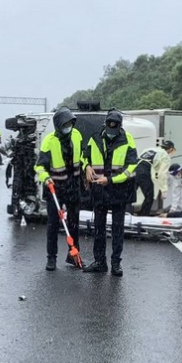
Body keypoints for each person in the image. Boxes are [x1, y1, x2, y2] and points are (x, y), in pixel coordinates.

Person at [82, 110, 138, 276]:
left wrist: (112, 179)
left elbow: (132, 166)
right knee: (98, 228)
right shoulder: (95, 137)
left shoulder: (128, 140)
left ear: (120, 126)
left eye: (114, 128)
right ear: (105, 124)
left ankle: (116, 263)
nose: (111, 131)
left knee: (117, 229)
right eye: (109, 126)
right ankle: (100, 261)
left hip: (119, 190)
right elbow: (84, 155)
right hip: (99, 190)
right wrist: (87, 166)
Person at [35, 107, 85, 271]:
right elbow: (39, 166)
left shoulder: (76, 136)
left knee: (74, 223)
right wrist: (46, 178)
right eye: (66, 123)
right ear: (58, 125)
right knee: (53, 224)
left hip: (74, 187)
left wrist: (87, 166)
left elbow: (82, 156)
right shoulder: (49, 141)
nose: (69, 126)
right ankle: (51, 258)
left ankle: (73, 255)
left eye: (71, 123)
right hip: (55, 188)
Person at [133, 140, 175, 216]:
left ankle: (126, 212)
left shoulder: (149, 149)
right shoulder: (165, 155)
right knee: (149, 196)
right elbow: (162, 173)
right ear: (170, 149)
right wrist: (164, 190)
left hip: (134, 170)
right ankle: (143, 215)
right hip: (144, 172)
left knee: (130, 194)